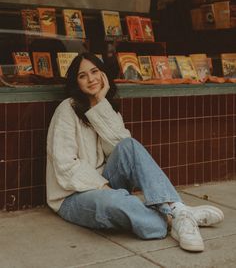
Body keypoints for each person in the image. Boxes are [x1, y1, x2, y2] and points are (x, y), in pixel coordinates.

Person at [46, 52, 224, 252]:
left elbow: (120, 148)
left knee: (129, 145)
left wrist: (100, 103)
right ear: (75, 82)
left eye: (95, 72)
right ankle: (171, 220)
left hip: (103, 183)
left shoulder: (108, 108)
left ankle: (178, 209)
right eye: (83, 75)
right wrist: (102, 186)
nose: (91, 79)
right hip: (72, 195)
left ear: (103, 74)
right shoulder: (67, 109)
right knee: (114, 202)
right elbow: (65, 164)